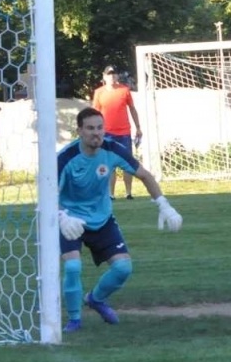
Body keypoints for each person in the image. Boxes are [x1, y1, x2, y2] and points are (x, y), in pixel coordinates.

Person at [56, 108, 183, 332]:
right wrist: (61, 216)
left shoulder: (113, 149)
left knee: (123, 268)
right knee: (73, 266)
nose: (96, 133)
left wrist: (164, 206)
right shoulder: (66, 158)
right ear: (79, 131)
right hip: (70, 220)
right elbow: (47, 192)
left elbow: (144, 175)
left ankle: (95, 299)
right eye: (90, 128)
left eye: (99, 128)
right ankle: (74, 320)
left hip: (102, 218)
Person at [90, 66, 142, 201]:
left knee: (127, 162)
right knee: (109, 164)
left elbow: (132, 109)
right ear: (104, 76)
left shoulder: (124, 90)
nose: (112, 76)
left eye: (114, 74)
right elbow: (94, 113)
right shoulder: (99, 92)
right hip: (106, 133)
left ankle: (128, 193)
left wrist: (138, 127)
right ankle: (110, 194)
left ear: (117, 76)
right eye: (109, 74)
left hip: (124, 132)